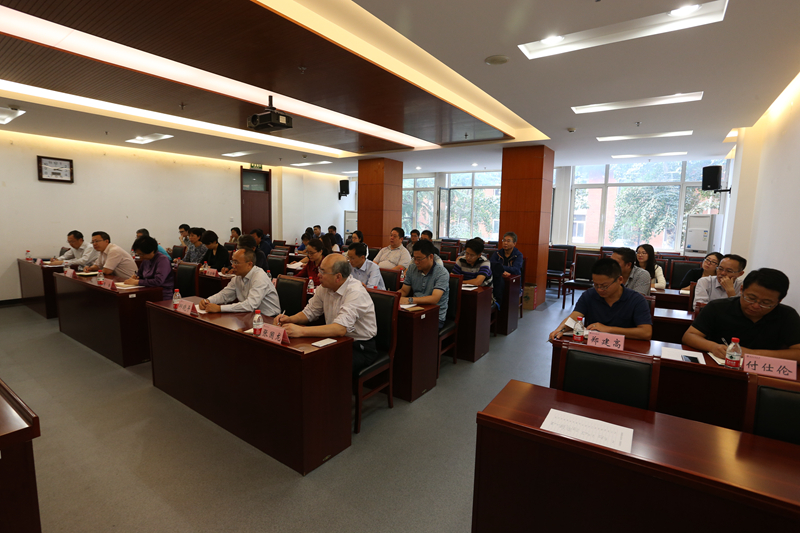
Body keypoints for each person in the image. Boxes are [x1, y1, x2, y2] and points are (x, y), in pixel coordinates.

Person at [274, 254, 378, 382]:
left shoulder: (355, 292)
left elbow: (340, 329)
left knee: (323, 365)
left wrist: (300, 331)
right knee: (300, 356)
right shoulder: (324, 287)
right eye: (319, 270)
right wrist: (290, 319)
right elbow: (309, 312)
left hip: (359, 346)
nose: (318, 275)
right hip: (334, 341)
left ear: (338, 277)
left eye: (323, 272)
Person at [682, 268, 800, 361]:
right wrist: (713, 347)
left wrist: (752, 354)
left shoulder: (787, 315)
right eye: (751, 298)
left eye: (766, 303)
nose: (755, 306)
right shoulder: (717, 307)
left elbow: (797, 352)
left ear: (779, 301)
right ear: (742, 289)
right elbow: (689, 336)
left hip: (763, 375)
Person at [549, 258, 652, 341]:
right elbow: (574, 317)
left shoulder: (636, 300)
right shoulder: (590, 295)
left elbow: (646, 332)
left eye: (604, 286)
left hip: (625, 349)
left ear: (620, 280)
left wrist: (608, 329)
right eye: (596, 285)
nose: (599, 289)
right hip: (594, 346)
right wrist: (560, 329)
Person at [200, 248, 281, 315]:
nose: (232, 266)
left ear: (249, 264)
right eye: (232, 262)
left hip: (269, 318)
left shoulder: (259, 277)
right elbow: (224, 295)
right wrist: (208, 301)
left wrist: (220, 308)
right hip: (250, 315)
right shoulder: (238, 277)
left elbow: (250, 305)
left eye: (236, 262)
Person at [399, 240, 450, 328]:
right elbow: (404, 290)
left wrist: (409, 300)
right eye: (414, 258)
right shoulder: (412, 268)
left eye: (419, 259)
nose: (416, 262)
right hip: (415, 311)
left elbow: (434, 299)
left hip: (435, 316)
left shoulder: (442, 273)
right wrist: (395, 297)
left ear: (430, 257)